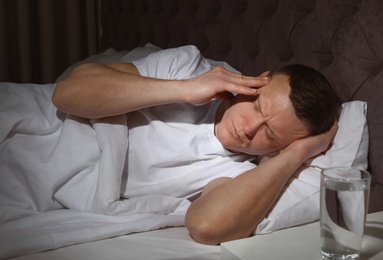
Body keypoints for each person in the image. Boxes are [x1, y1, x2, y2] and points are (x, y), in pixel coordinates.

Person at [52, 45, 340, 245]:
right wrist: (186, 89)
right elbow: (66, 92)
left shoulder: (238, 173)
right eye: (258, 106)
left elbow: (206, 226)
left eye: (271, 135)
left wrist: (297, 154)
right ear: (259, 81)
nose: (249, 129)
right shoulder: (187, 66)